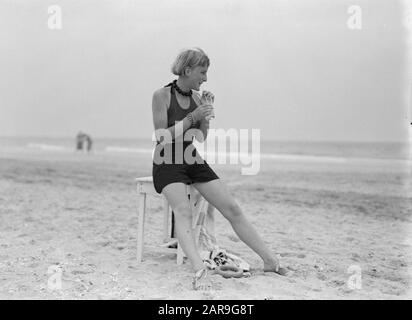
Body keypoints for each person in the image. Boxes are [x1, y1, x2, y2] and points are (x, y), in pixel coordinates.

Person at [151, 47, 287, 291]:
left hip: (190, 157)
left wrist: (206, 115)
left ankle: (270, 260)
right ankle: (199, 270)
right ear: (188, 70)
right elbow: (162, 137)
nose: (205, 78)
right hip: (166, 159)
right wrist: (193, 116)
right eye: (202, 73)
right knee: (183, 211)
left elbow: (201, 137)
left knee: (232, 207)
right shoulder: (161, 96)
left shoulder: (196, 98)